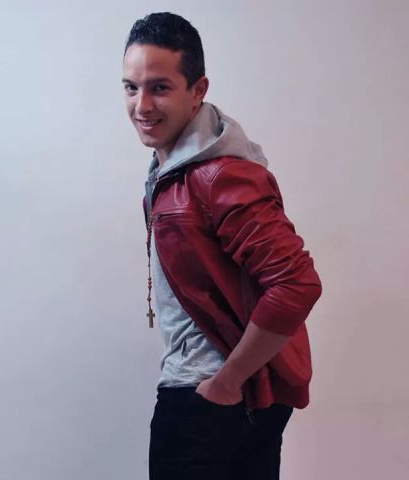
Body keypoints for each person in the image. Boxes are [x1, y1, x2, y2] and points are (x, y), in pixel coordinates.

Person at [122, 12, 322, 480]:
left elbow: (296, 284)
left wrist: (226, 381)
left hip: (205, 400)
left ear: (198, 90)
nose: (141, 105)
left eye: (160, 87)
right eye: (131, 87)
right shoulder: (176, 168)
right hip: (236, 398)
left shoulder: (217, 175)